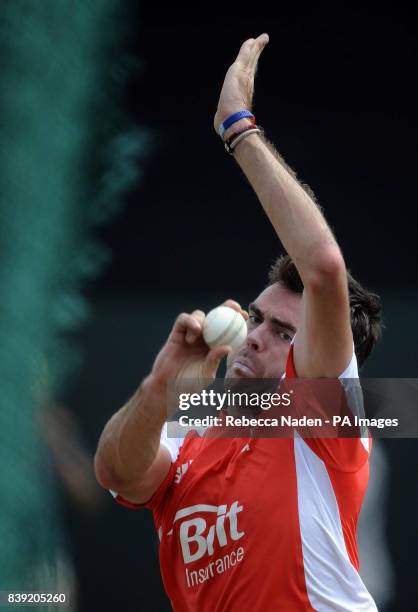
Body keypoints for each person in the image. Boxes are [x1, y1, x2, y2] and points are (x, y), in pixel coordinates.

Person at [94, 34, 382, 611]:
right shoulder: (189, 433)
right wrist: (160, 386)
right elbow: (119, 472)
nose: (254, 335)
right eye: (257, 319)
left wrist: (239, 129)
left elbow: (323, 267)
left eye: (284, 333)